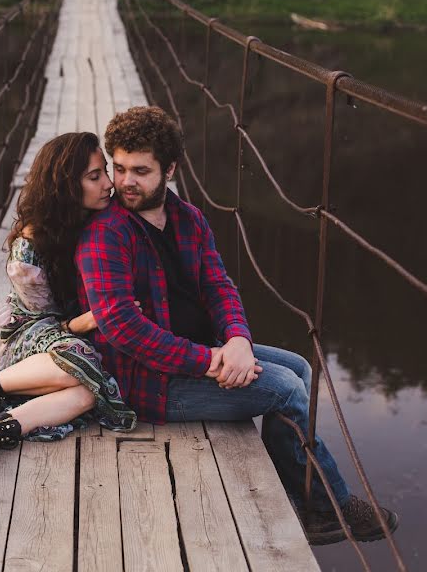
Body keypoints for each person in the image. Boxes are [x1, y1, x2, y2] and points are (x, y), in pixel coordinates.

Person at [75, 106, 399, 545]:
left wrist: (238, 340)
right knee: (286, 389)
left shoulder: (187, 216)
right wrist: (211, 360)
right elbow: (121, 328)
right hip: (146, 381)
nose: (125, 181)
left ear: (170, 170)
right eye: (119, 167)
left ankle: (293, 490)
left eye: (141, 170)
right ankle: (328, 509)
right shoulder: (107, 232)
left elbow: (218, 285)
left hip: (201, 348)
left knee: (300, 368)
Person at [0, 132, 136, 468]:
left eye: (105, 172)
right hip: (29, 331)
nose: (109, 184)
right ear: (67, 185)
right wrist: (87, 319)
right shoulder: (28, 252)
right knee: (82, 364)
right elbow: (49, 323)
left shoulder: (98, 217)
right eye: (95, 177)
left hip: (64, 344)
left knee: (88, 391)